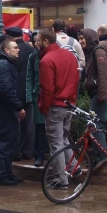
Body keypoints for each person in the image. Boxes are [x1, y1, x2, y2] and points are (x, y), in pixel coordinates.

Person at [37, 28, 80, 190]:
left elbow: (47, 88)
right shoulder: (69, 56)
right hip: (69, 104)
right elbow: (76, 80)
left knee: (56, 143)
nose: (36, 43)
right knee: (63, 139)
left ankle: (61, 179)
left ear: (46, 41)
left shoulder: (46, 60)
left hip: (56, 105)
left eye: (38, 40)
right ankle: (73, 167)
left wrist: (44, 107)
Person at [79, 28, 107, 171]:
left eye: (82, 38)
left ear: (90, 38)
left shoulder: (98, 52)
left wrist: (102, 95)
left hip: (102, 93)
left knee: (95, 124)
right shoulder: (90, 52)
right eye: (79, 39)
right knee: (93, 124)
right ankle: (99, 155)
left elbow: (103, 74)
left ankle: (102, 156)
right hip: (97, 93)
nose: (80, 41)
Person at [0, 40, 26, 185]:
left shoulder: (6, 64)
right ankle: (1, 174)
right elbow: (6, 89)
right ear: (7, 50)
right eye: (15, 48)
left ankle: (7, 172)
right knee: (7, 142)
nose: (18, 50)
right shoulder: (3, 65)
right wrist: (18, 107)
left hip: (8, 109)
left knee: (10, 141)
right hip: (5, 110)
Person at [5, 27, 34, 160]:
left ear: (10, 37)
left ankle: (16, 152)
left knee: (13, 122)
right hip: (28, 91)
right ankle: (28, 151)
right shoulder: (31, 49)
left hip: (14, 91)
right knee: (29, 123)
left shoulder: (11, 50)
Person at [26, 32, 46, 167]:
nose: (36, 43)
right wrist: (29, 97)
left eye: (38, 41)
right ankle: (39, 156)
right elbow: (29, 77)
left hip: (52, 97)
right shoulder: (33, 57)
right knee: (39, 128)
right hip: (37, 96)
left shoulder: (51, 56)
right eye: (35, 41)